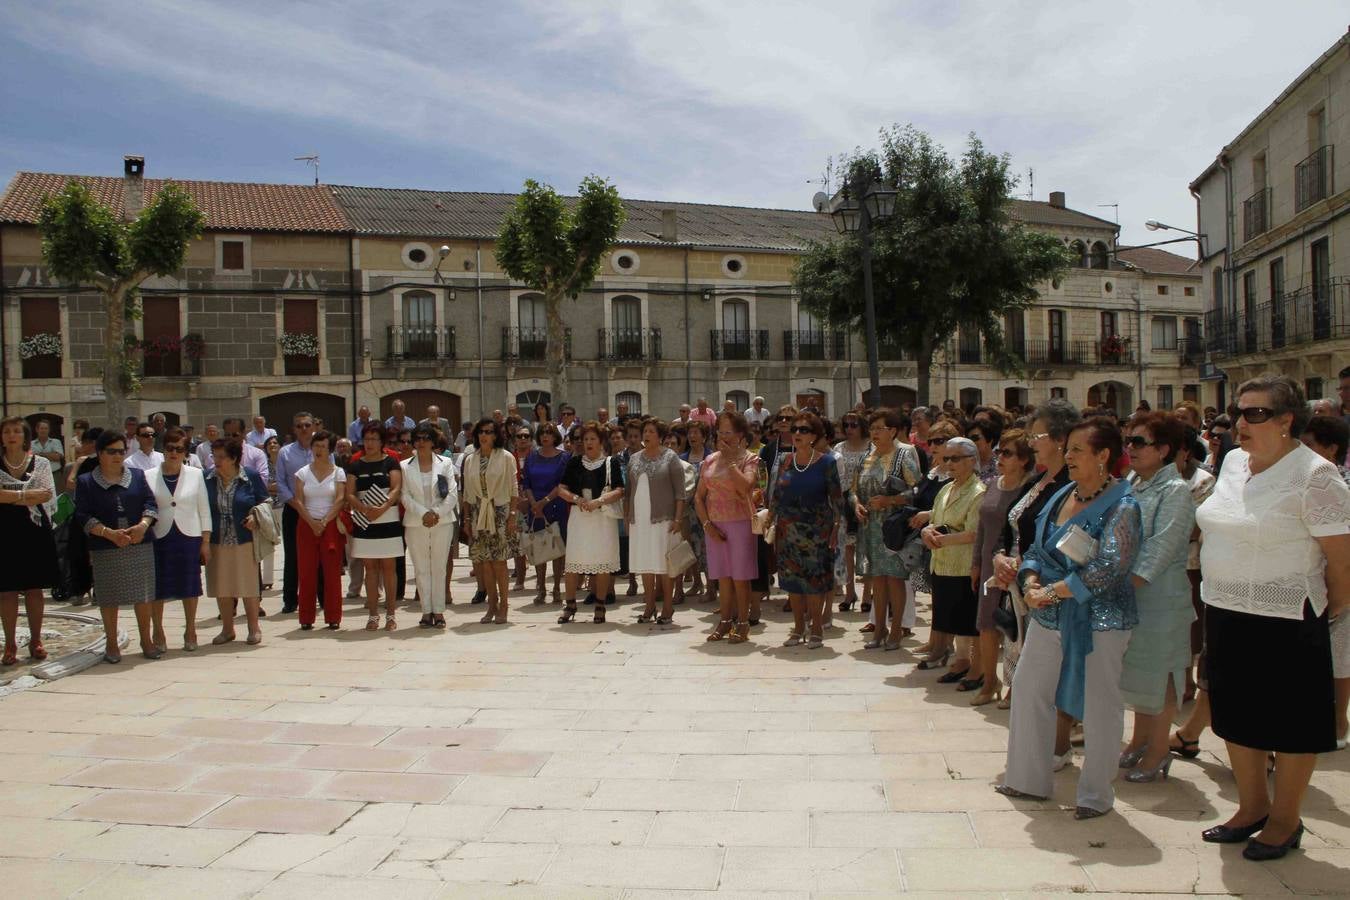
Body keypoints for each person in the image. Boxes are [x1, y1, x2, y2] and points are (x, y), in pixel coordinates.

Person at [1196, 375, 1350, 860]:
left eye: (1256, 413)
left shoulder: (1316, 475)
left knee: (1289, 723)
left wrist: (1330, 611)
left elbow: (1342, 563)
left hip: (1287, 616)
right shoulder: (1235, 462)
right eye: (1240, 412)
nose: (1242, 422)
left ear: (1287, 421)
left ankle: (1285, 819)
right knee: (1237, 715)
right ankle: (1251, 808)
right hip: (1224, 608)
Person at [999, 418, 1141, 821]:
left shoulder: (1123, 505)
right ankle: (1026, 778)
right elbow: (1037, 548)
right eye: (1069, 448)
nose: (1069, 456)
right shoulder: (1062, 492)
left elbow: (1110, 566)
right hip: (1048, 614)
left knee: (1100, 704)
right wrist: (1028, 579)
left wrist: (1050, 591)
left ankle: (1095, 794)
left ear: (1103, 456)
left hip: (1100, 621)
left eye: (1079, 449)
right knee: (1028, 689)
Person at [1111, 412, 1196, 782]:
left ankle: (1160, 749)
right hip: (1131, 596)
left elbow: (1160, 549)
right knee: (1138, 673)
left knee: (1161, 676)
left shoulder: (1175, 491)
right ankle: (1139, 741)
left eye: (1139, 442)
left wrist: (1120, 584)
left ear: (1163, 449)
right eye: (1128, 441)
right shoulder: (1133, 482)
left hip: (1161, 598)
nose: (1130, 449)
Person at [76, 430, 160, 662]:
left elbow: (150, 503)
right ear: (100, 453)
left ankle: (147, 640)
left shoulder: (137, 475)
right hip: (106, 544)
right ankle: (112, 643)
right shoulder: (86, 482)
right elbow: (82, 514)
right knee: (109, 596)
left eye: (121, 451)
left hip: (138, 541)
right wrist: (108, 533)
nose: (117, 456)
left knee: (143, 595)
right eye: (111, 451)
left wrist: (143, 525)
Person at [968, 427, 1035, 706]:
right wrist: (975, 563)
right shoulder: (994, 483)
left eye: (1007, 453)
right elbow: (982, 527)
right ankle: (989, 681)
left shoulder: (1031, 488)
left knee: (1015, 627)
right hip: (988, 564)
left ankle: (1014, 686)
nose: (1000, 457)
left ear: (1023, 459)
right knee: (985, 624)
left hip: (1014, 565)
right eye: (999, 452)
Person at [769, 410, 841, 648]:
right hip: (787, 531)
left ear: (814, 435)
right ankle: (798, 628)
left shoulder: (827, 463)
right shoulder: (785, 461)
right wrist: (769, 518)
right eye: (794, 429)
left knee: (813, 583)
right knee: (792, 583)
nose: (797, 433)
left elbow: (837, 500)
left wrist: (836, 528)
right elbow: (777, 495)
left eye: (803, 430)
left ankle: (817, 628)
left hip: (817, 533)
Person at [852, 409, 922, 651]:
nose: (874, 433)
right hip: (870, 526)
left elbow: (917, 492)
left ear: (892, 431)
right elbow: (853, 490)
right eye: (872, 429)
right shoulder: (865, 458)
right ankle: (879, 627)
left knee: (895, 579)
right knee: (877, 579)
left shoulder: (904, 457)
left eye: (879, 429)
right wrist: (857, 505)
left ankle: (896, 630)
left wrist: (889, 501)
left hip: (894, 527)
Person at [921, 437, 986, 682]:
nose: (949, 463)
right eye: (946, 458)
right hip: (941, 563)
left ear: (971, 460)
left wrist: (941, 539)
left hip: (962, 565)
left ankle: (969, 665)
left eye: (955, 458)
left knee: (966, 619)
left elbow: (973, 532)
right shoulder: (947, 488)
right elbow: (934, 519)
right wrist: (926, 531)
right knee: (950, 616)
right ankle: (960, 661)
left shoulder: (978, 492)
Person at [146, 428, 210, 653]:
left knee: (189, 585)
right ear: (163, 450)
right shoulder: (148, 475)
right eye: (170, 448)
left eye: (179, 449)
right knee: (158, 586)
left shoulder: (195, 474)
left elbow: (204, 509)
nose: (174, 453)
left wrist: (205, 541)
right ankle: (158, 630)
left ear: (186, 452)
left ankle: (190, 628)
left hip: (188, 535)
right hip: (160, 535)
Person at [696, 411, 759, 641]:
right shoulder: (709, 460)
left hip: (740, 522)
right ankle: (724, 621)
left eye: (729, 432)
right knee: (722, 576)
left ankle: (743, 622)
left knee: (740, 576)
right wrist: (707, 525)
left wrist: (732, 462)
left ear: (740, 434)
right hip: (715, 524)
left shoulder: (749, 459)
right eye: (720, 432)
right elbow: (698, 497)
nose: (724, 437)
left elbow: (746, 487)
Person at [0, 417, 57, 663]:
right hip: (4, 531)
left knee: (35, 589)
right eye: (6, 431)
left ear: (25, 436)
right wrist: (26, 495)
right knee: (6, 591)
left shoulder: (41, 463)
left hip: (34, 530)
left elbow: (46, 494)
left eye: (16, 431)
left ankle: (36, 640)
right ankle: (10, 644)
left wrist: (10, 496)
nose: (12, 435)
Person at [557, 422, 625, 624]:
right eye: (585, 439)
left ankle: (600, 605)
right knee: (573, 562)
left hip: (603, 518)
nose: (588, 443)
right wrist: (577, 500)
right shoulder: (574, 462)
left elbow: (620, 490)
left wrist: (599, 501)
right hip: (579, 517)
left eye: (592, 439)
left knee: (603, 562)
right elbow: (561, 489)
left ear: (601, 441)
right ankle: (570, 605)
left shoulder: (611, 462)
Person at [204, 438, 268, 647]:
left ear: (233, 458)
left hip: (244, 538)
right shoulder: (207, 478)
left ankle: (253, 628)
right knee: (222, 585)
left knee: (248, 586)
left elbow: (266, 501)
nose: (217, 461)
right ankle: (227, 629)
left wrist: (255, 517)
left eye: (221, 457)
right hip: (217, 538)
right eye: (214, 456)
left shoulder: (250, 476)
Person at [627, 417, 687, 626]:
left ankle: (668, 607)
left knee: (663, 564)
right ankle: (649, 605)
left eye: (651, 431)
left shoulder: (670, 458)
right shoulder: (633, 458)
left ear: (660, 436)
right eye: (645, 431)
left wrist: (678, 519)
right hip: (640, 520)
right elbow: (628, 492)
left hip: (664, 519)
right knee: (645, 563)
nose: (646, 435)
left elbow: (681, 493)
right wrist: (629, 517)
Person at [346, 424, 404, 631]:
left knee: (389, 568)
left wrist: (383, 506)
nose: (369, 443)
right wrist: (361, 507)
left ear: (382, 442)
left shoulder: (390, 461)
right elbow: (350, 493)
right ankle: (372, 615)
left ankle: (391, 614)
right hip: (364, 520)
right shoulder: (355, 464)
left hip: (387, 519)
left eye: (374, 439)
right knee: (370, 569)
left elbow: (396, 487)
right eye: (367, 438)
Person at [462, 417, 519, 624]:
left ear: (496, 435)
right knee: (484, 562)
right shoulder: (470, 459)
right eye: (481, 432)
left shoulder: (506, 457)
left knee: (499, 561)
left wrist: (512, 515)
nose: (484, 435)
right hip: (478, 512)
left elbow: (514, 489)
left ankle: (504, 605)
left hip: (500, 510)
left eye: (489, 432)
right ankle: (491, 605)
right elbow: (467, 492)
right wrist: (467, 518)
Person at [402, 424, 457, 629]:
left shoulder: (446, 463)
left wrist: (436, 513)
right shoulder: (404, 466)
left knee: (439, 567)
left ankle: (439, 611)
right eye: (417, 438)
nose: (421, 442)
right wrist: (423, 513)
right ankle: (426, 611)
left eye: (426, 438)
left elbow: (451, 493)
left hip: (442, 521)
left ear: (434, 442)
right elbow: (404, 496)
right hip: (416, 522)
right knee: (421, 567)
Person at [293, 429, 347, 631]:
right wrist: (312, 522)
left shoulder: (338, 472)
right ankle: (306, 617)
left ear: (330, 450)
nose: (319, 450)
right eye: (316, 445)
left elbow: (340, 498)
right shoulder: (302, 472)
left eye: (323, 446)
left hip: (330, 525)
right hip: (306, 525)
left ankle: (333, 616)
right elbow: (298, 500)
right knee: (306, 572)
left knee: (332, 573)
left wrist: (324, 522)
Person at [521, 424, 570, 604]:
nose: (545, 436)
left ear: (555, 435)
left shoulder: (564, 457)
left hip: (556, 505)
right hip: (536, 508)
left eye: (549, 433)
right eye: (542, 433)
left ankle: (557, 587)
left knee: (557, 547)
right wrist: (534, 503)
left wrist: (544, 502)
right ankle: (541, 588)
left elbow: (562, 484)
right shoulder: (532, 456)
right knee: (539, 547)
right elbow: (526, 483)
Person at [274, 412, 316, 614]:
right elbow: (280, 483)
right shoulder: (285, 453)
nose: (304, 429)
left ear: (313, 426)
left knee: (317, 554)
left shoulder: (322, 449)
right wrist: (297, 504)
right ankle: (290, 599)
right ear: (294, 429)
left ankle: (319, 596)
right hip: (293, 509)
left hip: (318, 510)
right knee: (292, 555)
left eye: (307, 425)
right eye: (299, 426)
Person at [833, 410, 871, 611]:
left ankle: (867, 595)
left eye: (853, 425)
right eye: (846, 425)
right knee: (847, 548)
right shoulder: (839, 447)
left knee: (866, 549)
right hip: (844, 500)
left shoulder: (872, 447)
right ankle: (849, 593)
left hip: (865, 500)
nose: (849, 429)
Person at [261, 435, 283, 590]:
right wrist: (276, 486)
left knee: (288, 543)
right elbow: (263, 485)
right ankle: (267, 579)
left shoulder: (284, 464)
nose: (273, 445)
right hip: (268, 506)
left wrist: (273, 486)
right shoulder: (263, 464)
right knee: (269, 541)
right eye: (270, 443)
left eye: (275, 443)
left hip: (284, 505)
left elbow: (289, 483)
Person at [31, 418, 64, 488]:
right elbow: (31, 459)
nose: (44, 430)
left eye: (46, 428)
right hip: (38, 476)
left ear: (49, 430)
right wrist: (51, 454)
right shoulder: (31, 444)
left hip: (55, 474)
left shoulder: (56, 442)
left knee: (57, 496)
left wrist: (39, 454)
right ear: (37, 430)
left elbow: (57, 457)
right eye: (42, 428)